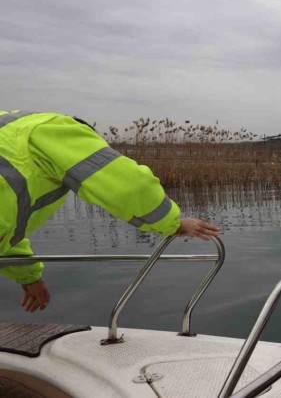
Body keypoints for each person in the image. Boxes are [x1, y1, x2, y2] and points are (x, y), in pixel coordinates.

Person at [0, 110, 220, 313]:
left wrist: (28, 277)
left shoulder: (12, 133)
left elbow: (8, 231)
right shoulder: (57, 129)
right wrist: (174, 224)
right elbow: (130, 185)